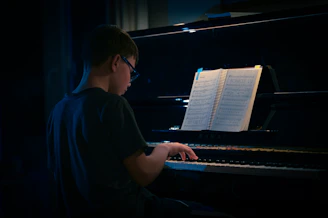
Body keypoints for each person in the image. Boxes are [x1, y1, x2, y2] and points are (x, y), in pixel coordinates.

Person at [46, 24, 230, 218]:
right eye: (131, 71)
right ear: (116, 62)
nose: (130, 82)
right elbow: (144, 173)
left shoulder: (58, 110)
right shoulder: (112, 104)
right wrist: (165, 149)